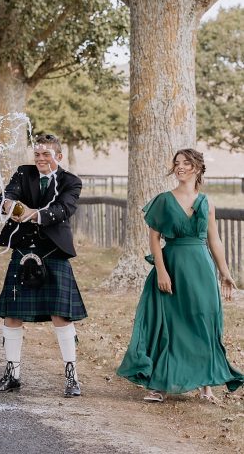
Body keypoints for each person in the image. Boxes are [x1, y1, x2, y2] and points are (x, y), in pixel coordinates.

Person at [117, 149, 243, 403]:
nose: (180, 167)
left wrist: (225, 273)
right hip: (172, 265)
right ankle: (160, 384)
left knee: (203, 322)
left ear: (197, 168)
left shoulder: (206, 202)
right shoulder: (163, 200)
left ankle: (205, 387)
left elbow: (214, 239)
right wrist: (161, 271)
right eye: (177, 163)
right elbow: (154, 239)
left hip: (201, 269)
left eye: (186, 163)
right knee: (169, 324)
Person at [0, 133, 87, 398]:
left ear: (59, 156)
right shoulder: (24, 173)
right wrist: (8, 204)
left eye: (46, 154)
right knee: (12, 314)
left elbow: (62, 210)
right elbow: (5, 198)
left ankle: (72, 377)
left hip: (54, 251)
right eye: (38, 154)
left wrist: (28, 213)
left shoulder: (71, 181)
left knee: (60, 315)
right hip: (23, 249)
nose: (40, 158)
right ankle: (12, 374)